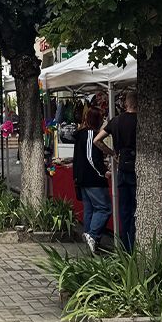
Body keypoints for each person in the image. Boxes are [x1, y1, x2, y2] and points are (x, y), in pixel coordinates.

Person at [96, 92, 138, 251]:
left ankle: (125, 247)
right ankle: (134, 247)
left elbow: (97, 140)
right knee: (137, 210)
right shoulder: (141, 120)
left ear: (125, 104)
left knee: (124, 210)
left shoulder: (116, 121)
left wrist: (113, 154)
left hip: (122, 169)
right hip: (137, 168)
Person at [73, 107, 110, 254]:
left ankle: (90, 241)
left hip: (84, 178)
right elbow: (90, 157)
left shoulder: (82, 134)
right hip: (92, 178)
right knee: (103, 208)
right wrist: (102, 171)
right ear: (97, 119)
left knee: (90, 209)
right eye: (101, 118)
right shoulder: (89, 134)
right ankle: (92, 235)